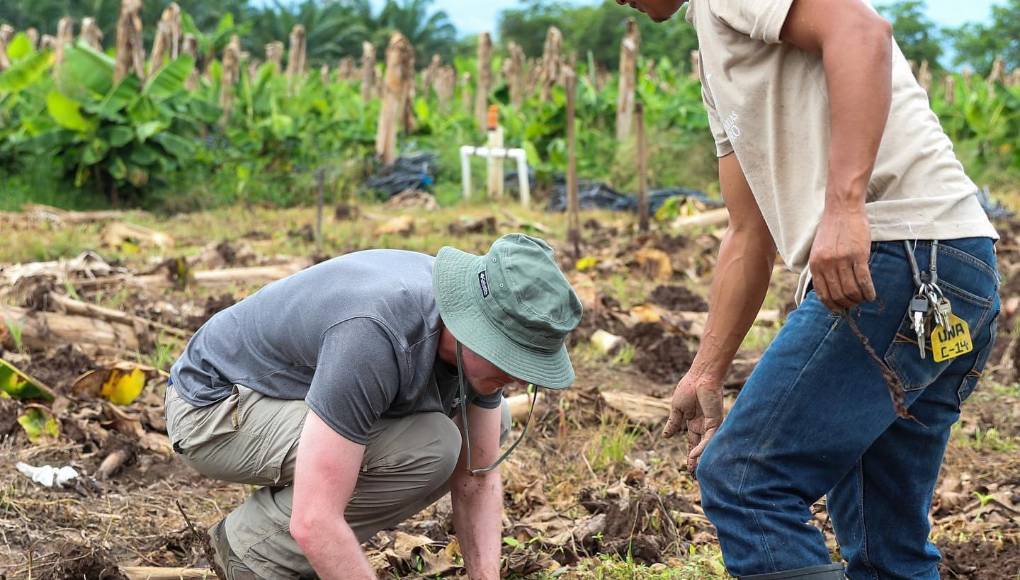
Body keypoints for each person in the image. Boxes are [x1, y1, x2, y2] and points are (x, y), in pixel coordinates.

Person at [619, 1, 1001, 578]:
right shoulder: (714, 49)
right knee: (886, 549)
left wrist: (845, 206)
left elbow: (859, 30)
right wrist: (705, 370)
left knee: (745, 479)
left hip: (899, 259)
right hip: (951, 264)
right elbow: (748, 232)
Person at [164, 233, 583, 579]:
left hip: (291, 391)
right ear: (475, 328)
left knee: (484, 427)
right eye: (512, 359)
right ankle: (250, 551)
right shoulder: (376, 333)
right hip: (213, 407)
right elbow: (316, 518)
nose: (521, 378)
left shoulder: (468, 329)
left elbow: (477, 478)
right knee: (433, 447)